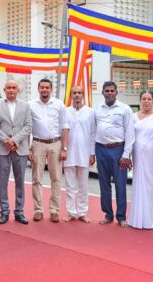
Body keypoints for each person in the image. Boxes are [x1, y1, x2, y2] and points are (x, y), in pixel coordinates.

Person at [0, 80, 32, 225]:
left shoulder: (26, 106)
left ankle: (19, 212)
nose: (11, 90)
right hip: (3, 149)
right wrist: (7, 141)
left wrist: (15, 141)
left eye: (14, 87)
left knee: (20, 182)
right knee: (3, 182)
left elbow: (28, 126)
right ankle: (4, 212)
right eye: (9, 88)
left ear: (18, 90)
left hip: (20, 149)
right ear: (4, 89)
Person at [94, 81, 135, 227]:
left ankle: (121, 216)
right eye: (107, 91)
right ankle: (108, 214)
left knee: (120, 184)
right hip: (101, 149)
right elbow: (93, 130)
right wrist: (93, 152)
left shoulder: (125, 109)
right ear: (103, 92)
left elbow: (130, 132)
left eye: (112, 91)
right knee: (104, 183)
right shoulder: (97, 108)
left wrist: (126, 154)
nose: (109, 93)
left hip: (118, 149)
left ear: (116, 92)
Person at [29, 78, 69, 223]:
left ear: (51, 89)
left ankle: (54, 210)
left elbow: (65, 126)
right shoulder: (31, 105)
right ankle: (38, 210)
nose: (44, 90)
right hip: (37, 143)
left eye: (47, 88)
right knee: (36, 179)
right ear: (38, 89)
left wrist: (64, 148)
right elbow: (28, 127)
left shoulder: (59, 104)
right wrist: (29, 148)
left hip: (55, 144)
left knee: (56, 178)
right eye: (42, 87)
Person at [128, 90, 153, 230]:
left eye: (149, 99)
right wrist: (128, 155)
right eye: (144, 99)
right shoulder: (133, 116)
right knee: (138, 185)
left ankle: (152, 220)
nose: (146, 101)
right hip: (137, 155)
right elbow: (129, 137)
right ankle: (137, 218)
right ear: (140, 101)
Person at [63, 86, 96, 223]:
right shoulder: (65, 112)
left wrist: (92, 153)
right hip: (69, 153)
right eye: (74, 93)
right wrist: (63, 149)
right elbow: (62, 132)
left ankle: (82, 212)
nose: (77, 95)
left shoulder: (90, 112)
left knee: (83, 185)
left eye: (79, 93)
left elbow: (93, 133)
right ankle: (71, 211)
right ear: (71, 96)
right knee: (70, 185)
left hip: (84, 154)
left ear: (83, 95)